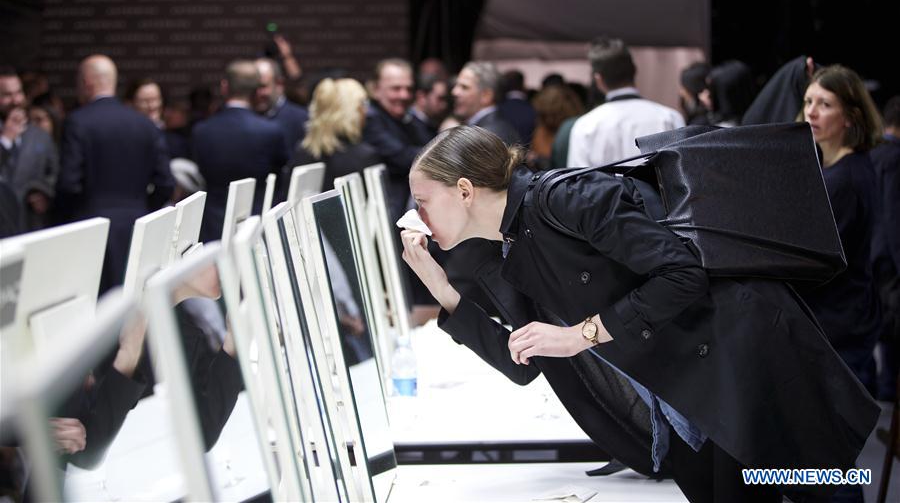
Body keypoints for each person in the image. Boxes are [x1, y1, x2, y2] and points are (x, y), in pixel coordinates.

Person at [400, 125, 877, 503]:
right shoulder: (514, 240)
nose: (417, 216)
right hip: (692, 394)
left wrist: (581, 335)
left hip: (746, 368)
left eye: (422, 202)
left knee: (822, 486)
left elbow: (682, 274)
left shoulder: (567, 197)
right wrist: (439, 287)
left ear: (464, 190)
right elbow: (522, 358)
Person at [794, 65, 883, 393]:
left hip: (836, 327)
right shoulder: (843, 168)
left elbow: (818, 259)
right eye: (807, 102)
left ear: (850, 116)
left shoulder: (843, 179)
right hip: (842, 319)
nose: (811, 113)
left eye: (825, 104)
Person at [56, 56, 173, 291]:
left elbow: (69, 184)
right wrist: (142, 209)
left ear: (87, 82)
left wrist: (65, 218)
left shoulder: (77, 122)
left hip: (91, 229)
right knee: (137, 307)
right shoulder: (145, 124)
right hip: (139, 227)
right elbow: (166, 183)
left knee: (97, 309)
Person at [192, 60, 289, 243]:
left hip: (214, 224)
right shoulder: (270, 131)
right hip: (257, 225)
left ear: (224, 87)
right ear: (256, 91)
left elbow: (201, 171)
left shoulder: (202, 130)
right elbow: (280, 174)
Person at [568, 36, 684, 167]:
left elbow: (578, 184)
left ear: (598, 79)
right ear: (635, 70)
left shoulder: (585, 126)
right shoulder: (669, 118)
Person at [362, 58, 432, 221]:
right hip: (383, 215)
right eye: (396, 88)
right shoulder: (370, 119)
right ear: (375, 89)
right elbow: (402, 156)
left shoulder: (406, 119)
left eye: (409, 88)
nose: (404, 95)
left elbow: (429, 145)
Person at [285, 78, 380, 191]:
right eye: (363, 103)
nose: (366, 110)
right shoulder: (365, 157)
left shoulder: (301, 153)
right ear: (352, 111)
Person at [0, 69, 59, 231]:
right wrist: (5, 140)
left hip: (30, 225)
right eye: (7, 95)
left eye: (18, 93)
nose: (15, 100)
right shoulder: (4, 137)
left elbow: (54, 172)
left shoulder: (39, 135)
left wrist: (45, 192)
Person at [871, 95, 900, 401]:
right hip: (888, 260)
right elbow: (894, 216)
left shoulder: (874, 152)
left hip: (872, 255)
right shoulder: (893, 158)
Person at [452, 61, 521, 146]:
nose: (455, 92)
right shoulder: (492, 129)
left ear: (486, 96)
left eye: (464, 87)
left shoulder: (487, 136)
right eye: (456, 85)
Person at [254, 57, 309, 153]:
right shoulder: (247, 117)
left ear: (279, 84)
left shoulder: (301, 119)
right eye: (253, 87)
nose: (257, 93)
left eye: (263, 86)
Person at [527, 84, 583, 170]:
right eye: (544, 115)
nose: (550, 120)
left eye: (553, 115)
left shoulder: (573, 129)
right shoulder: (541, 131)